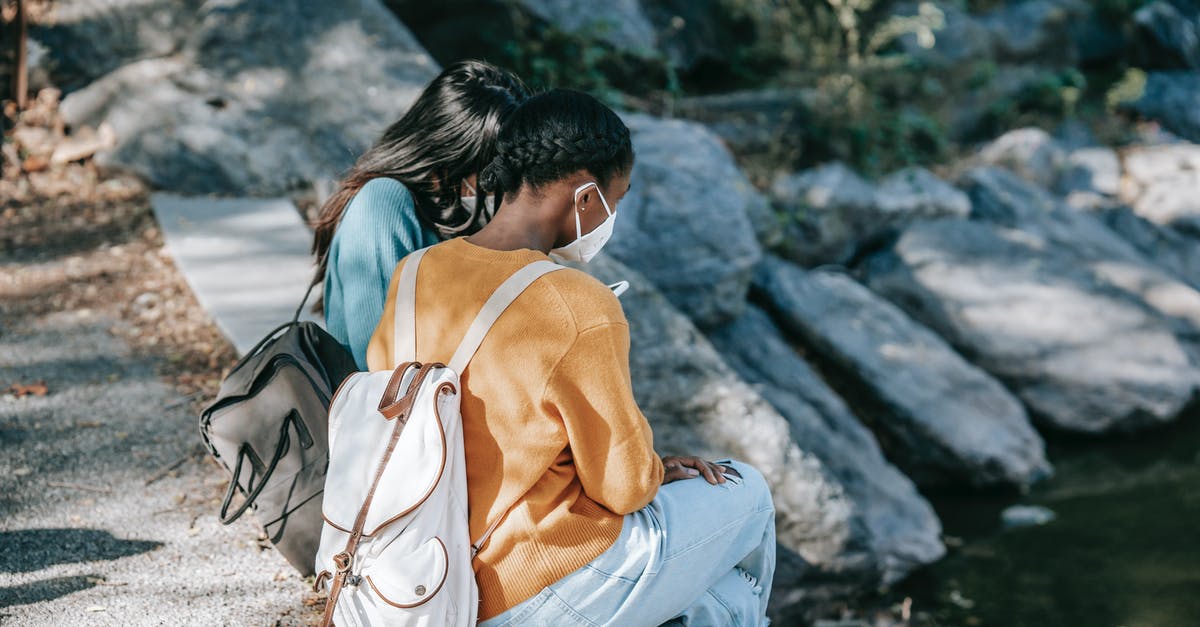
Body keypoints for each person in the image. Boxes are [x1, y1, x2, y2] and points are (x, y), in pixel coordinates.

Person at [366, 88, 776, 626]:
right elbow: (624, 488)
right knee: (750, 491)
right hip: (530, 582)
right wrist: (653, 469)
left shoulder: (416, 271)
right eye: (617, 199)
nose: (612, 216)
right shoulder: (577, 302)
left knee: (726, 602)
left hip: (420, 570)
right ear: (586, 197)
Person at [311, 60, 528, 368]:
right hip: (394, 409)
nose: (503, 181)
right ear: (453, 153)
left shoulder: (448, 211)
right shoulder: (382, 204)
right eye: (494, 165)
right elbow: (382, 362)